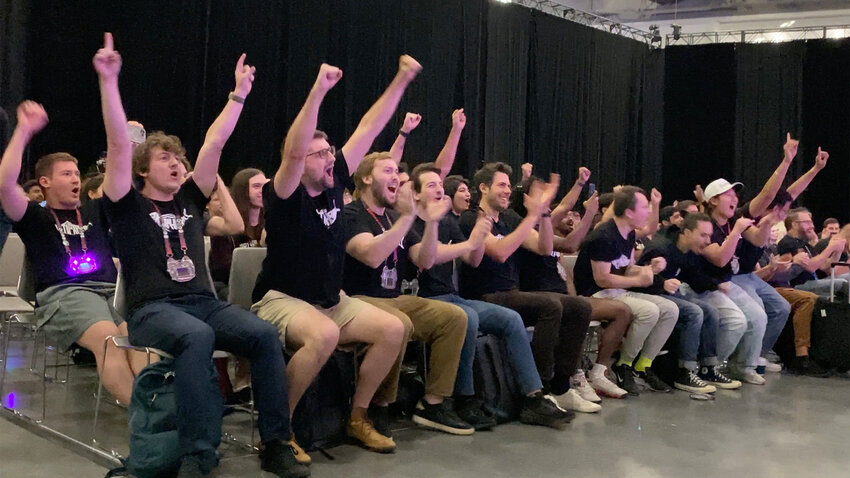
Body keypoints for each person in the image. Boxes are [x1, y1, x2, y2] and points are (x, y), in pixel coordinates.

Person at [95, 34, 307, 477]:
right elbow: (118, 145)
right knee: (195, 337)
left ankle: (275, 443)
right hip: (151, 308)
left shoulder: (190, 201)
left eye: (179, 157)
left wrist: (238, 96)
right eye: (164, 157)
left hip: (201, 303)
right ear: (142, 169)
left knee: (264, 336)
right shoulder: (125, 203)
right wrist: (110, 82)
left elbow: (214, 145)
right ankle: (198, 453)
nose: (177, 163)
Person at [252, 57, 422, 454]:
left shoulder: (334, 182)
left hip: (332, 300)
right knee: (324, 335)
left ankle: (357, 417)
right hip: (280, 299)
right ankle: (281, 429)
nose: (330, 157)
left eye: (330, 151)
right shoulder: (285, 194)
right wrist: (318, 91)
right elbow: (294, 154)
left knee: (393, 329)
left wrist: (400, 79)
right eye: (319, 154)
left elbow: (370, 126)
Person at [0, 100, 142, 407]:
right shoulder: (34, 216)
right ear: (45, 182)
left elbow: (119, 174)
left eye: (77, 173)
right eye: (66, 174)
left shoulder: (95, 208)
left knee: (140, 342)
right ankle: (145, 418)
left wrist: (126, 142)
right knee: (110, 341)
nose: (76, 179)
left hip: (109, 292)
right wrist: (23, 131)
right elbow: (5, 184)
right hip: (64, 293)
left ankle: (154, 406)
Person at [343, 151, 475, 435]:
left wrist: (432, 222)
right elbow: (371, 255)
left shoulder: (393, 216)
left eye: (396, 172)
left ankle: (433, 403)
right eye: (387, 171)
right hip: (357, 299)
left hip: (393, 298)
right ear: (366, 178)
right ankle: (380, 405)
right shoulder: (352, 213)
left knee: (454, 316)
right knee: (399, 324)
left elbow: (424, 260)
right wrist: (409, 216)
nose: (396, 177)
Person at [458, 162, 594, 414]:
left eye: (509, 185)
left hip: (512, 294)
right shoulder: (471, 218)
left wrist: (542, 214)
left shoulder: (509, 218)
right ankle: (540, 388)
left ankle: (562, 385)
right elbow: (499, 252)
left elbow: (543, 246)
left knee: (579, 306)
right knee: (549, 306)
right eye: (501, 185)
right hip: (484, 295)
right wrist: (532, 215)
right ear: (483, 187)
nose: (508, 190)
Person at [515, 169, 634, 403]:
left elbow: (566, 235)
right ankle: (572, 377)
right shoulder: (524, 228)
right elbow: (565, 235)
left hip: (561, 294)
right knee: (575, 311)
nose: (547, 199)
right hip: (540, 294)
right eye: (541, 194)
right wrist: (585, 203)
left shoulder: (545, 225)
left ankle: (598, 372)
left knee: (622, 311)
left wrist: (582, 191)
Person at [574, 186, 679, 394]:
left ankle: (642, 365)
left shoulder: (628, 234)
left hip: (617, 291)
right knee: (649, 310)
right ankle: (623, 366)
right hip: (595, 293)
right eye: (644, 207)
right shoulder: (604, 235)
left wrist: (648, 269)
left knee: (670, 309)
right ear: (629, 212)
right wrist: (640, 280)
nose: (648, 212)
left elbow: (627, 268)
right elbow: (602, 279)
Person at [637, 213, 742, 392]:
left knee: (710, 311)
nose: (708, 241)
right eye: (703, 235)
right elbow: (637, 278)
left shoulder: (689, 253)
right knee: (694, 312)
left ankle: (707, 368)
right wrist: (662, 282)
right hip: (646, 294)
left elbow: (694, 276)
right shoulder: (661, 248)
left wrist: (715, 284)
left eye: (709, 236)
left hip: (666, 294)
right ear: (685, 232)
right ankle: (684, 371)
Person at [778, 207, 848, 297]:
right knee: (844, 283)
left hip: (815, 281)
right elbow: (810, 267)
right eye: (807, 222)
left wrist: (838, 250)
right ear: (795, 225)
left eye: (811, 222)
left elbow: (826, 268)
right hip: (800, 285)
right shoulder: (788, 242)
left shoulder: (805, 243)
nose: (812, 226)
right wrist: (830, 248)